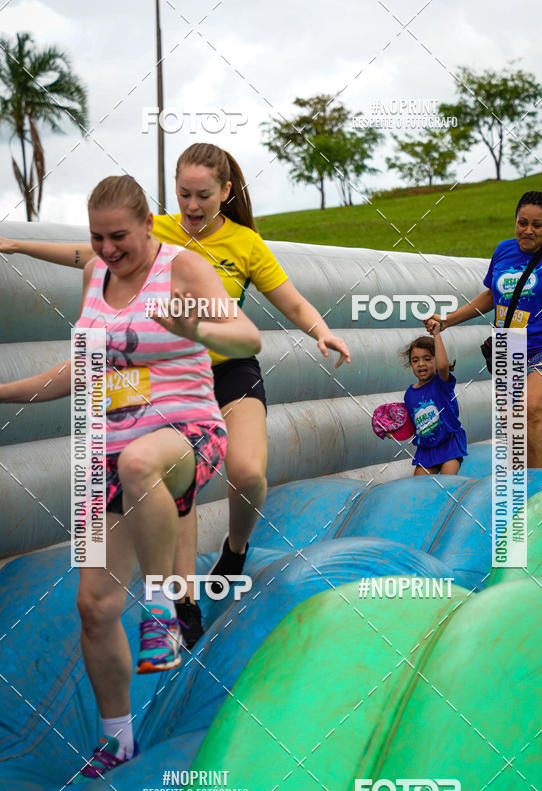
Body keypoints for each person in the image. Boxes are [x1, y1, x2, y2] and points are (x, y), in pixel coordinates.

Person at [0, 143, 351, 647]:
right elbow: (89, 253)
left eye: (202, 195)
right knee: (169, 483)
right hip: (165, 383)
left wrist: (321, 331)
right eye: (183, 193)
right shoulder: (153, 231)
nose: (190, 205)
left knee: (248, 472)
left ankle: (236, 547)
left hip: (228, 373)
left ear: (226, 192)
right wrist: (17, 245)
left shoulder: (246, 244)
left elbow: (290, 301)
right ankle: (181, 603)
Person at [0, 175, 261, 780]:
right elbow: (80, 370)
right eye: (96, 237)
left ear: (148, 222)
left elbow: (246, 335)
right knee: (93, 605)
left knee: (142, 462)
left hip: (186, 434)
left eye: (118, 235)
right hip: (106, 453)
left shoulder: (183, 269)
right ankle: (118, 740)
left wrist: (196, 328)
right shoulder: (96, 275)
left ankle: (166, 607)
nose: (108, 248)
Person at [425, 190, 542, 468]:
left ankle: (541, 487)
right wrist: (447, 320)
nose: (528, 230)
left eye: (537, 225)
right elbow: (493, 296)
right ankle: (522, 483)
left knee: (529, 407)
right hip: (509, 349)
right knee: (513, 425)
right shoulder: (503, 250)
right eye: (522, 222)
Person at [400, 323, 467, 475]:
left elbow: (443, 367)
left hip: (448, 445)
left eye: (427, 358)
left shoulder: (441, 383)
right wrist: (394, 431)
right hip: (426, 451)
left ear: (436, 360)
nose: (421, 363)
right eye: (415, 360)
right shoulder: (409, 394)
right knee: (419, 486)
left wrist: (436, 334)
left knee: (447, 483)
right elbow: (413, 424)